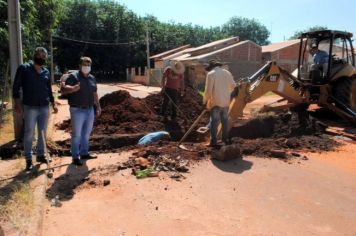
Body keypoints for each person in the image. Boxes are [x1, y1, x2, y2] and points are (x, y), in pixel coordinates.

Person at [12, 47, 58, 171]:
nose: (41, 57)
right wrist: (17, 103)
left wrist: (53, 103)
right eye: (39, 55)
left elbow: (48, 89)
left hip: (44, 106)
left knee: (42, 132)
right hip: (30, 107)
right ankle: (28, 159)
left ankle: (40, 155)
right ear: (34, 55)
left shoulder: (46, 72)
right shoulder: (24, 68)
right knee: (29, 133)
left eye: (44, 56)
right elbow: (16, 87)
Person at [61, 57, 101, 166]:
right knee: (77, 134)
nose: (87, 67)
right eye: (84, 64)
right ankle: (75, 156)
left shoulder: (92, 78)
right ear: (79, 65)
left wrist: (98, 106)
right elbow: (64, 89)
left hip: (89, 109)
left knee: (86, 133)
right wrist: (73, 88)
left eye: (88, 65)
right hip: (77, 109)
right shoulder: (73, 77)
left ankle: (84, 153)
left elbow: (95, 94)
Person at [203, 59, 236, 147]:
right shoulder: (227, 73)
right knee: (224, 121)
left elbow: (208, 90)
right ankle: (225, 140)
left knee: (214, 122)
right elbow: (233, 85)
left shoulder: (211, 74)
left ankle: (213, 142)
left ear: (212, 67)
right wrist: (226, 93)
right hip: (225, 102)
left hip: (216, 102)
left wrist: (205, 101)